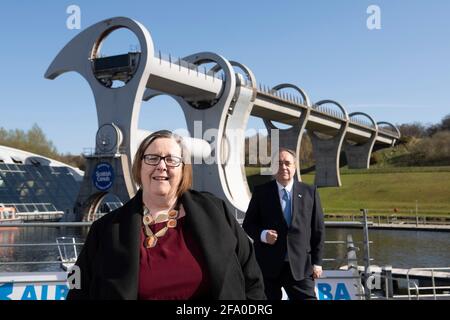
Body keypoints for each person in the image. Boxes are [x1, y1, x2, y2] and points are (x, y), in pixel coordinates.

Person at [67, 130, 265, 300]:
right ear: (139, 166)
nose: (161, 166)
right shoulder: (106, 230)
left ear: (183, 170)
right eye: (152, 158)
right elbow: (78, 290)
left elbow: (251, 278)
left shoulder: (215, 212)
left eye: (171, 159)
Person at [242, 148, 325, 300]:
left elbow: (318, 229)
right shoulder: (261, 192)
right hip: (267, 266)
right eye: (279, 163)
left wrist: (317, 262)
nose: (283, 167)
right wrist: (263, 235)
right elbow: (248, 224)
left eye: (287, 163)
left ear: (295, 166)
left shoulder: (310, 192)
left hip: (300, 267)